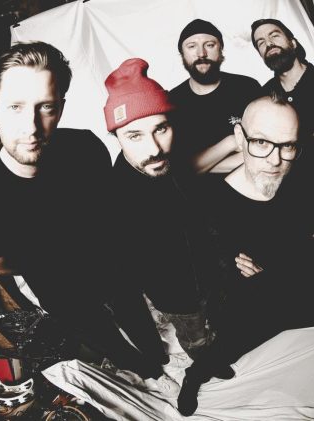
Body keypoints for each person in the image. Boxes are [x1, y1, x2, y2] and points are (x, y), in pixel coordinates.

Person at [0, 42, 168, 380]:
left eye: (46, 107)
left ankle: (158, 356)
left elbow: (111, 212)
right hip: (62, 294)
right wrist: (47, 262)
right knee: (108, 341)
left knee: (136, 315)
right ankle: (143, 369)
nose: (31, 126)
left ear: (61, 107)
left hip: (114, 268)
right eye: (15, 106)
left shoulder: (85, 148)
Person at [176, 94, 314, 416]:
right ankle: (194, 376)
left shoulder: (302, 180)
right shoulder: (211, 202)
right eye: (261, 142)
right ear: (239, 138)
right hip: (250, 305)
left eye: (287, 145)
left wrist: (277, 266)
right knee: (227, 345)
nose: (275, 160)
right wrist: (284, 259)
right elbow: (221, 284)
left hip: (293, 288)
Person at [104, 58, 217, 361]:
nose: (154, 149)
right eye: (135, 135)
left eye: (161, 129)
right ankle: (205, 360)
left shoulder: (173, 160)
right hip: (176, 298)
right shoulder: (115, 198)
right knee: (196, 339)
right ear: (116, 136)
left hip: (210, 275)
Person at [250, 18, 314, 285]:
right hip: (285, 199)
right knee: (297, 270)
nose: (268, 44)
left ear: (292, 42)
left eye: (274, 35)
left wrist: (278, 141)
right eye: (261, 42)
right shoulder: (265, 94)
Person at [169, 19, 262, 176]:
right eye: (192, 46)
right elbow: (179, 168)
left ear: (220, 49)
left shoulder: (247, 87)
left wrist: (200, 165)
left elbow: (266, 150)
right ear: (182, 54)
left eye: (210, 45)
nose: (201, 53)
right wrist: (230, 142)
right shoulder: (172, 101)